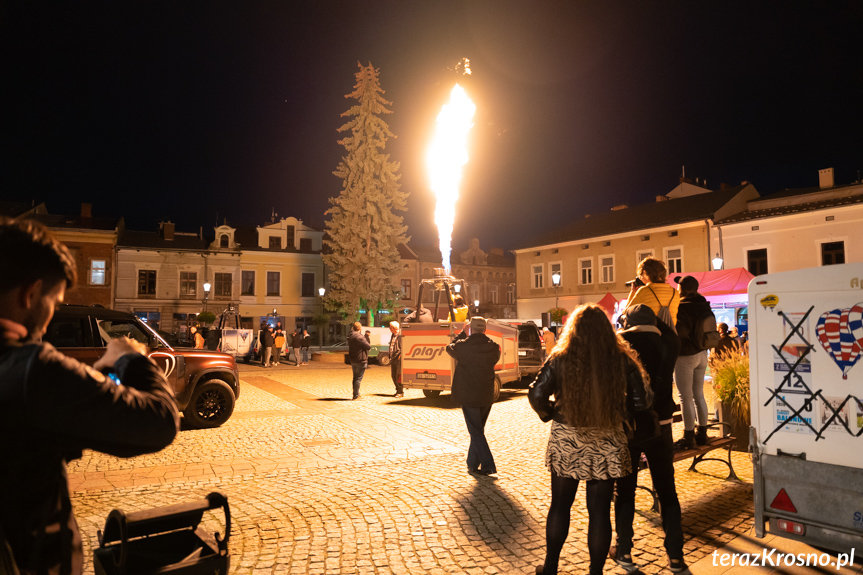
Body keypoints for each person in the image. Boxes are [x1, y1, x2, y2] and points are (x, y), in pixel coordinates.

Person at [0, 217, 179, 575]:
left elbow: (52, 416)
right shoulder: (32, 370)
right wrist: (130, 358)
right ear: (31, 294)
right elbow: (158, 421)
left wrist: (97, 375)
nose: (49, 319)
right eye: (55, 301)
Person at [529, 304, 647, 575]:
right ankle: (595, 572)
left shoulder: (561, 357)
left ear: (574, 329)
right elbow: (642, 400)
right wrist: (620, 412)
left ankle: (550, 568)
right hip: (607, 436)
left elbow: (536, 394)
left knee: (560, 504)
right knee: (600, 511)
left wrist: (551, 414)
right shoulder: (621, 359)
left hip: (568, 436)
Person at [613, 304, 687, 573]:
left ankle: (624, 551)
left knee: (625, 490)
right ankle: (676, 555)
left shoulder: (621, 342)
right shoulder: (669, 342)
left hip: (629, 426)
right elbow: (669, 331)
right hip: (662, 424)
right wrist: (655, 316)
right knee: (667, 489)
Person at [446, 316, 501, 476]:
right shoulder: (493, 347)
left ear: (470, 329)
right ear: (485, 329)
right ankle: (472, 463)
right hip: (486, 394)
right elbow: (495, 359)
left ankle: (488, 464)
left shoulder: (463, 346)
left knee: (476, 431)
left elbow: (449, 348)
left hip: (468, 393)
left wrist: (462, 334)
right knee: (478, 430)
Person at [674, 275, 712, 449]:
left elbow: (680, 332)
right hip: (702, 353)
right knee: (699, 395)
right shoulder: (705, 305)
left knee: (685, 397)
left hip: (686, 355)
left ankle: (689, 435)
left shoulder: (682, 307)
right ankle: (702, 433)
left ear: (682, 289)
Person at [624, 257, 679, 330]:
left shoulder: (644, 291)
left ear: (645, 273)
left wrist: (633, 292)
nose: (640, 277)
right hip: (670, 333)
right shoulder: (675, 292)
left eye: (641, 274)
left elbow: (626, 312)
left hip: (652, 332)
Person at [347, 322, 370, 399]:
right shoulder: (360, 337)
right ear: (360, 329)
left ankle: (356, 393)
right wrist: (366, 337)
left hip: (353, 359)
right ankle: (356, 395)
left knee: (355, 377)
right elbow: (368, 346)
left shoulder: (350, 336)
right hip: (360, 359)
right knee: (358, 378)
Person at [388, 321, 403, 397]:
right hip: (393, 357)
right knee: (393, 375)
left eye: (390, 327)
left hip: (398, 358)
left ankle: (400, 391)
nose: (389, 328)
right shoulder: (393, 335)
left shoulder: (400, 335)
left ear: (394, 328)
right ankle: (398, 389)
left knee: (398, 375)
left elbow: (403, 346)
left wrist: (400, 355)